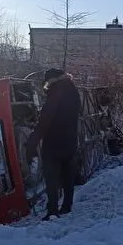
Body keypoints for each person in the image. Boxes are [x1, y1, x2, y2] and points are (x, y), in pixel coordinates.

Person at [25, 68, 82, 221]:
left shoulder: (56, 92)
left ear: (52, 80)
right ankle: (67, 206)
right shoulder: (74, 92)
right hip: (70, 140)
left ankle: (52, 211)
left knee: (52, 177)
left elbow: (45, 120)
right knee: (67, 175)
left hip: (53, 142)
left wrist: (33, 141)